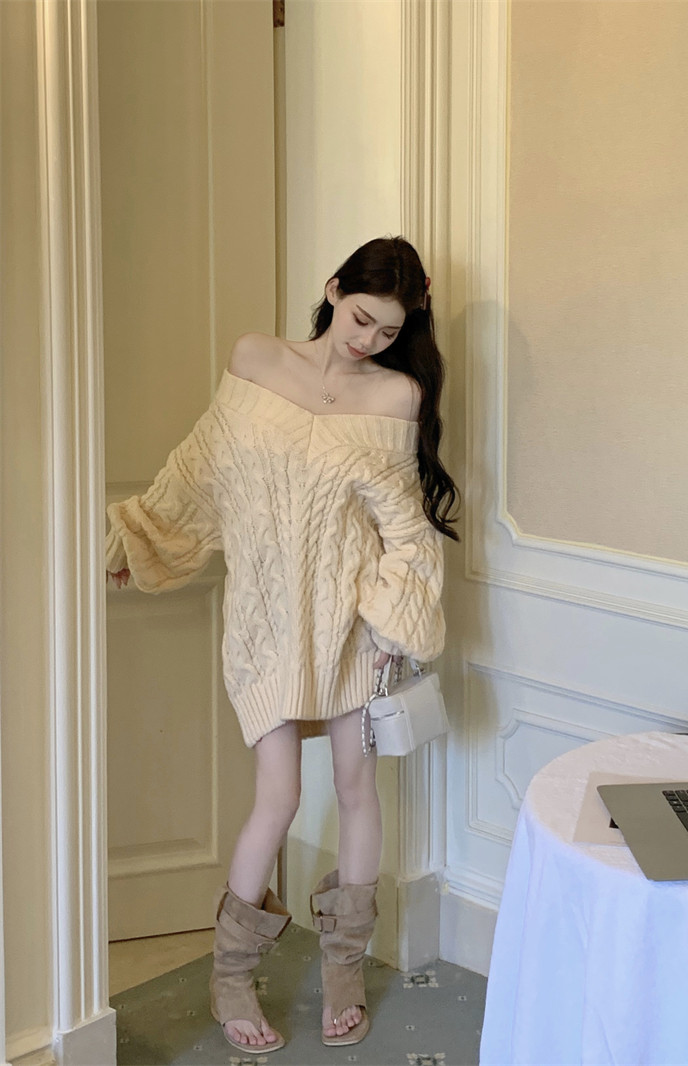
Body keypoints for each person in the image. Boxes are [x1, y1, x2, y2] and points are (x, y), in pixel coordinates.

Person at [105, 235, 460, 1054]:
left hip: (353, 629)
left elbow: (406, 533)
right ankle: (231, 975)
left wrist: (389, 625)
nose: (368, 339)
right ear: (333, 289)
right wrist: (145, 538)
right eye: (361, 318)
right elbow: (201, 470)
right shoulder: (256, 360)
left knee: (357, 787)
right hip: (266, 622)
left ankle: (343, 970)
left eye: (388, 330)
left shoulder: (396, 395)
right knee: (280, 796)